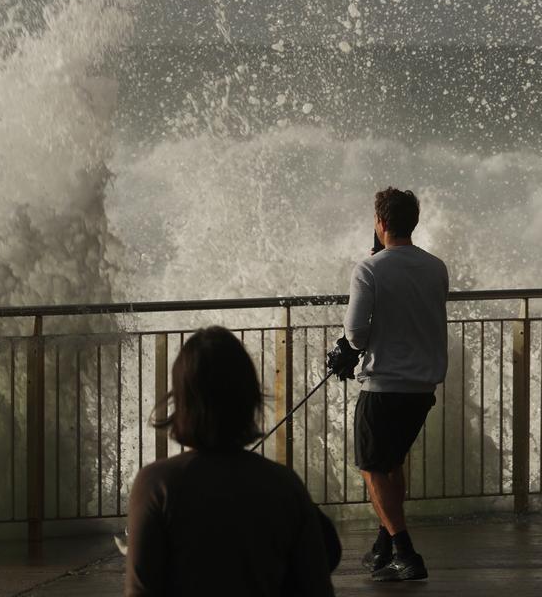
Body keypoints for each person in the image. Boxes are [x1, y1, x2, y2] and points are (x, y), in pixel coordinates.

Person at [125, 326, 336, 596]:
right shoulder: (284, 485)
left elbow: (140, 591)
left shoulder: (156, 484)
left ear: (182, 400)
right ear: (249, 398)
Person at [334, 187, 449, 582]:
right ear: (412, 222)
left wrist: (348, 349)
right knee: (392, 463)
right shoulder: (436, 267)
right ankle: (384, 545)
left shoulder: (369, 269)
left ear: (381, 223)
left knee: (372, 467)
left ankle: (404, 552)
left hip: (383, 387)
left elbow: (355, 332)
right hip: (421, 389)